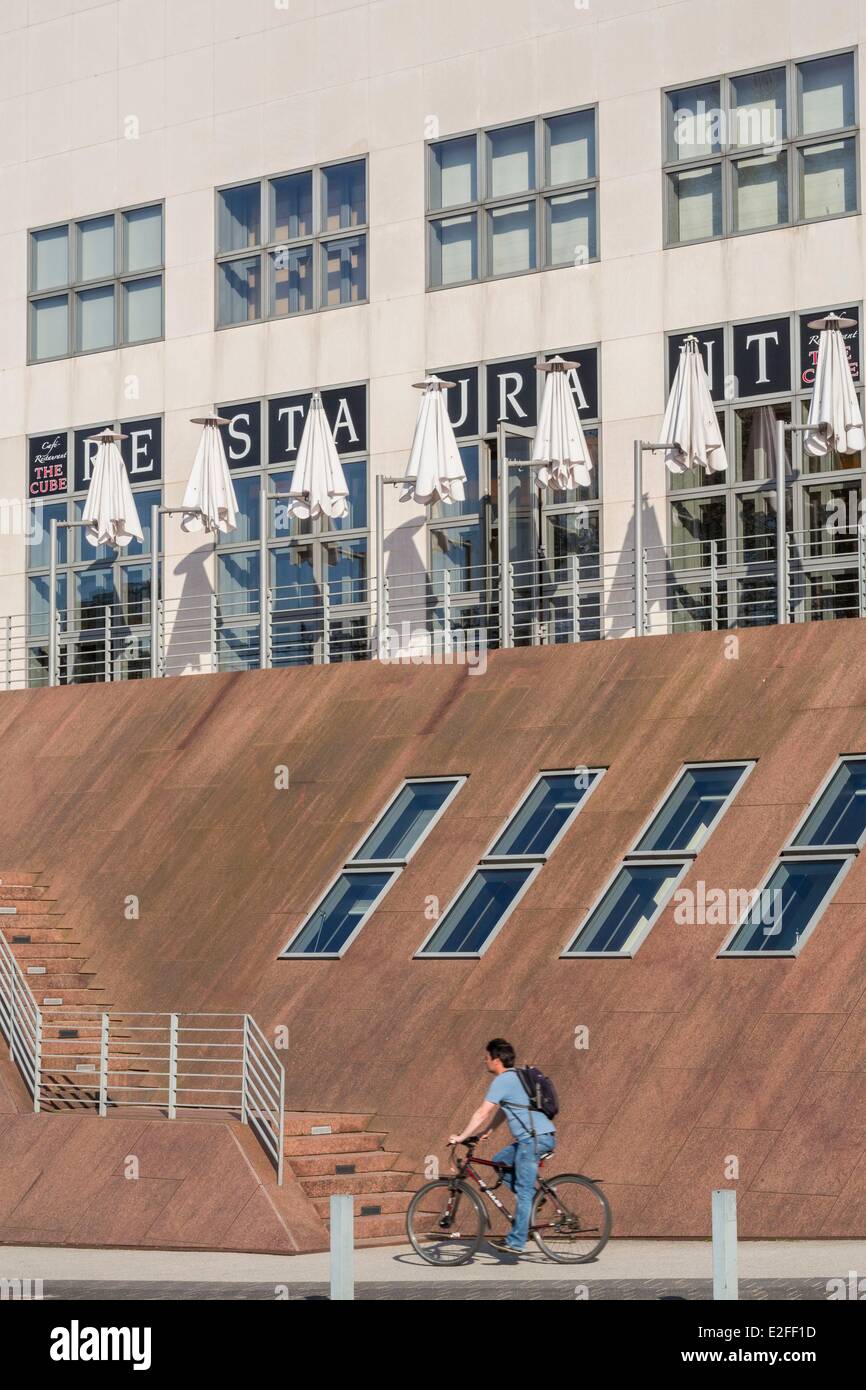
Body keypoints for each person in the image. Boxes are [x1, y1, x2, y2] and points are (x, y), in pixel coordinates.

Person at [448, 1037, 556, 1254]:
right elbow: (505, 1109)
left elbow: (482, 1112)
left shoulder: (502, 1080)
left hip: (533, 1140)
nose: (484, 1061)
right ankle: (538, 1198)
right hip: (540, 1136)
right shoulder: (515, 1076)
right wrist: (488, 1132)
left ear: (496, 1060)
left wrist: (461, 1137)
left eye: (487, 1057)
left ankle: (516, 1241)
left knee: (523, 1193)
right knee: (500, 1161)